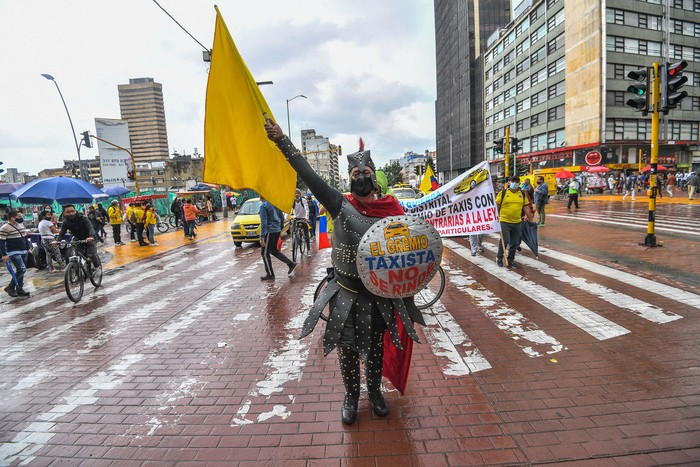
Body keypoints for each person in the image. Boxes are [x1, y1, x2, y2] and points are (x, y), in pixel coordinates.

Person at [266, 118, 423, 425]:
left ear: (374, 179)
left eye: (365, 173)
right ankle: (351, 396)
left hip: (379, 294)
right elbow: (307, 174)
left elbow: (410, 250)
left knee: (376, 348)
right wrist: (282, 140)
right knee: (348, 349)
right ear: (349, 178)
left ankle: (375, 393)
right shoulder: (338, 204)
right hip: (346, 294)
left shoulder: (392, 211)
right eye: (355, 173)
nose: (360, 177)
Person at [495, 175, 534, 268]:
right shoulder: (503, 193)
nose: (515, 183)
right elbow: (497, 205)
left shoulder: (522, 194)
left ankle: (511, 259)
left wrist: (530, 218)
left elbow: (526, 207)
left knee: (515, 242)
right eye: (513, 181)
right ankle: (499, 257)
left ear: (519, 183)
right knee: (505, 240)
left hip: (517, 222)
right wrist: (495, 216)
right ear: (509, 182)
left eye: (517, 181)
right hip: (504, 220)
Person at [259, 194, 296, 281]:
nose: (259, 195)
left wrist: (261, 237)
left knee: (264, 253)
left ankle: (270, 273)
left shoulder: (263, 206)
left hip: (269, 231)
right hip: (276, 230)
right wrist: (280, 229)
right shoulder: (275, 204)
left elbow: (263, 223)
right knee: (274, 251)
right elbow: (282, 218)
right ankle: (290, 263)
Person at [57, 204, 100, 275]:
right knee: (77, 255)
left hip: (89, 238)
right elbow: (62, 233)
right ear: (64, 213)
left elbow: (90, 228)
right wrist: (57, 241)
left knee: (90, 254)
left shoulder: (83, 218)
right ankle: (79, 273)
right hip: (78, 239)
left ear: (75, 211)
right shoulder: (65, 222)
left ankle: (97, 267)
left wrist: (91, 236)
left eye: (72, 211)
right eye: (68, 212)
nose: (71, 213)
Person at [0, 210, 32, 297]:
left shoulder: (21, 225)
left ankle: (19, 288)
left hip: (23, 250)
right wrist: (4, 254)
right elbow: (1, 242)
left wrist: (28, 248)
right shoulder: (5, 228)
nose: (21, 218)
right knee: (22, 269)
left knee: (20, 270)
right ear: (12, 218)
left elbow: (25, 237)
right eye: (19, 216)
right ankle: (10, 287)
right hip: (13, 252)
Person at [292, 188, 311, 257]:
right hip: (296, 218)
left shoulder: (303, 201)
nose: (296, 194)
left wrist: (306, 217)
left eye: (298, 193)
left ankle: (308, 250)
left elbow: (307, 209)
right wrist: (286, 218)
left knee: (306, 235)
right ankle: (295, 243)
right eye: (295, 193)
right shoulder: (292, 201)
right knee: (293, 231)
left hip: (303, 218)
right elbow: (289, 210)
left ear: (300, 194)